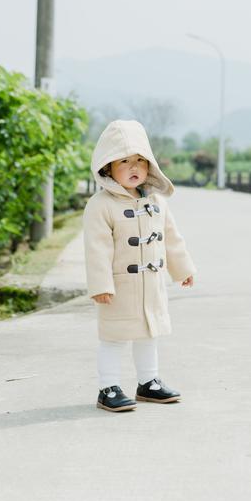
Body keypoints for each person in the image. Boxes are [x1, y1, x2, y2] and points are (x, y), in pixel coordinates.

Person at [83, 120, 196, 412]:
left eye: (140, 160)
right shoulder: (101, 205)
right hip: (119, 287)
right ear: (107, 167)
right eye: (124, 161)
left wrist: (182, 269)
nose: (134, 167)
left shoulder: (156, 201)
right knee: (114, 337)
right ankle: (108, 387)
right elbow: (96, 249)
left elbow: (171, 237)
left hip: (151, 284)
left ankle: (148, 383)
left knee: (149, 333)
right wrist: (101, 285)